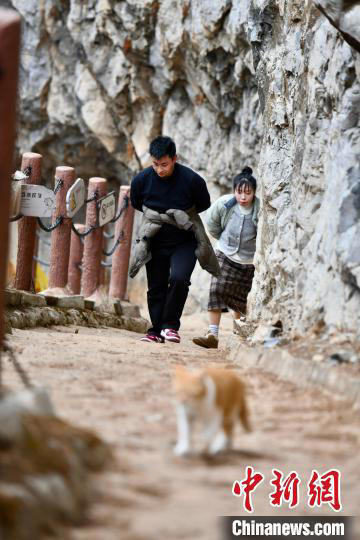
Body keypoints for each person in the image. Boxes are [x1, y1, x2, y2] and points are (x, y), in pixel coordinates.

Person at [129, 136, 220, 344]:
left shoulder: (192, 180)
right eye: (155, 164)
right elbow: (137, 202)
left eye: (164, 164)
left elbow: (203, 204)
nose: (159, 169)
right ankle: (155, 330)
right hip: (155, 240)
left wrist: (179, 217)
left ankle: (170, 326)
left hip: (184, 240)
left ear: (174, 159)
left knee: (179, 279)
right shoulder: (141, 180)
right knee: (156, 286)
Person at [192, 167, 259, 349]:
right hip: (224, 254)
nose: (243, 197)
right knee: (216, 290)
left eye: (248, 193)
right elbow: (212, 223)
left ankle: (238, 330)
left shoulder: (259, 209)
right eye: (239, 192)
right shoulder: (225, 204)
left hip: (248, 262)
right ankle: (212, 334)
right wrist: (222, 239)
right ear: (234, 190)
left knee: (240, 300)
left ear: (254, 192)